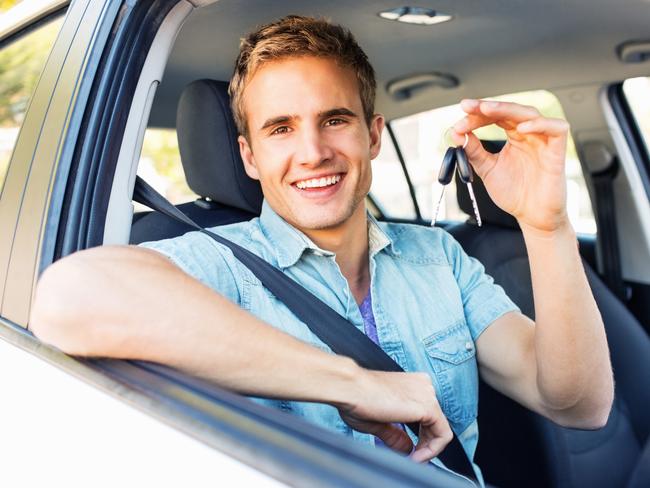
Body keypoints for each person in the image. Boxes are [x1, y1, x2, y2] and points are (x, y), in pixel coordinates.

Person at [30, 15, 613, 486]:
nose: (312, 152)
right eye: (280, 128)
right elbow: (68, 297)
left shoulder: (439, 256)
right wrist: (352, 382)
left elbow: (578, 405)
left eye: (334, 119)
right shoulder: (219, 265)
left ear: (373, 135)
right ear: (250, 156)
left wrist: (546, 226)